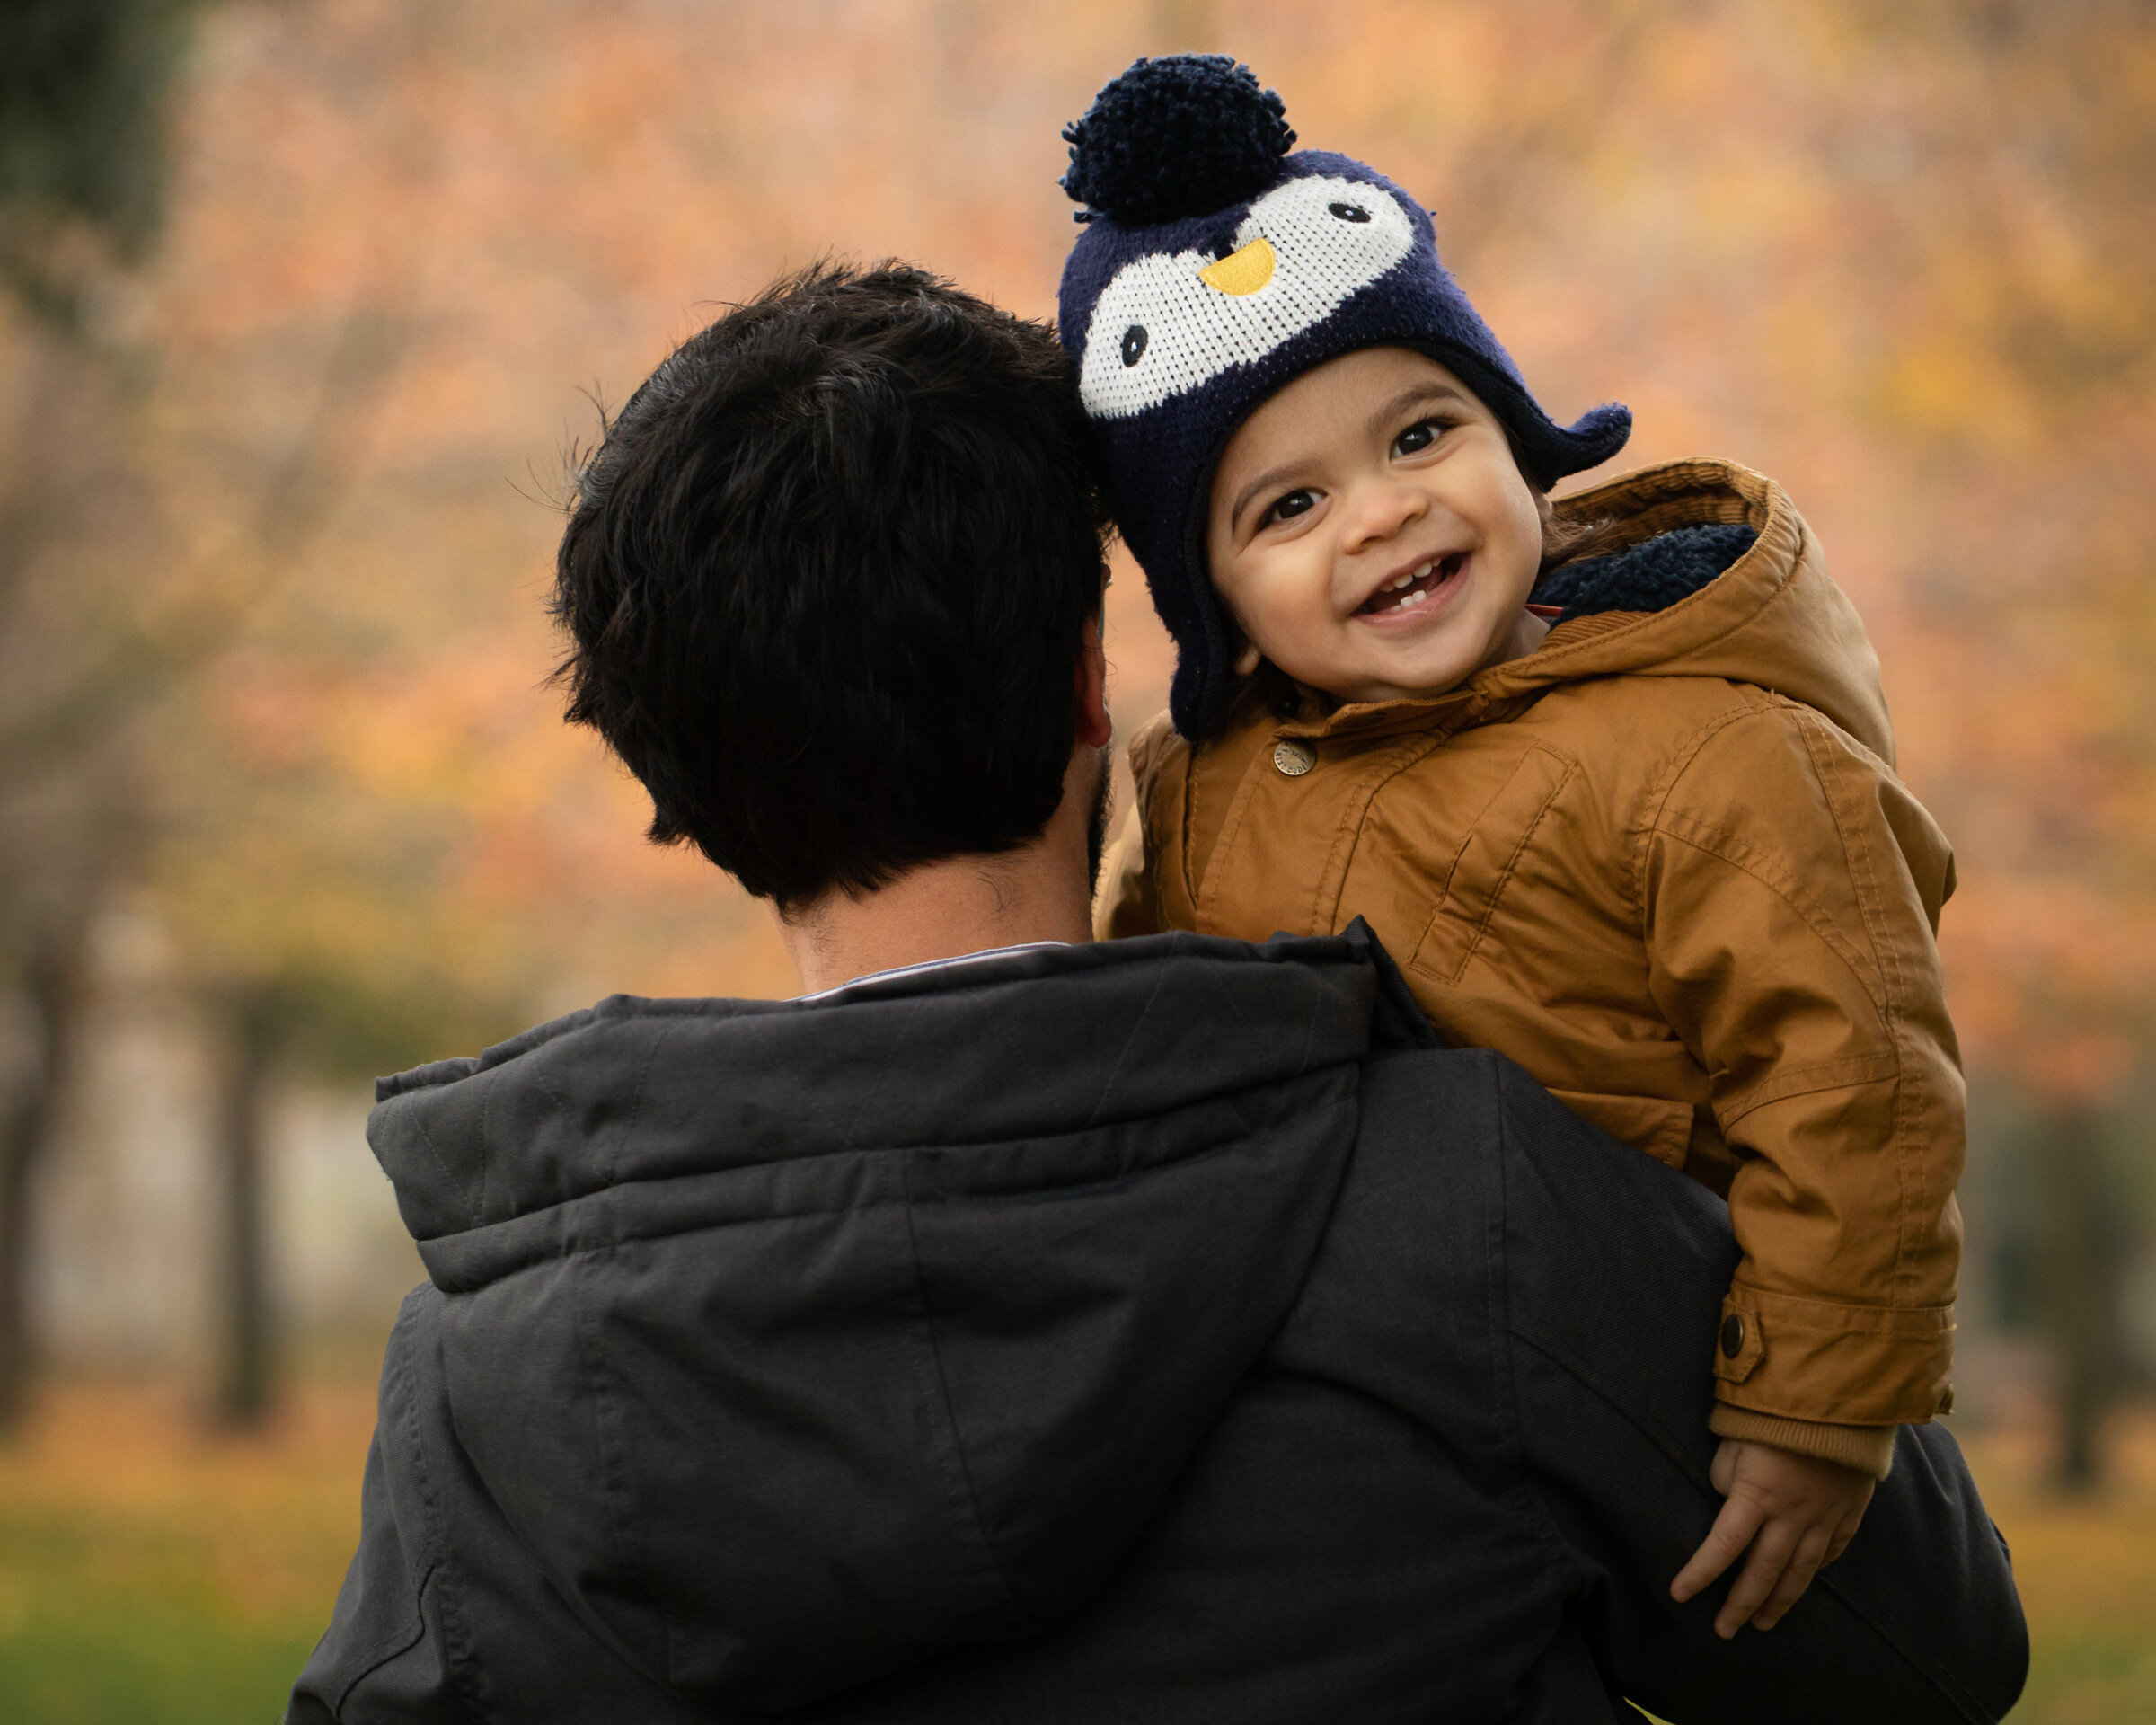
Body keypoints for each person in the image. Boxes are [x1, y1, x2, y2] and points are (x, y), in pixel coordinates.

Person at [287, 261, 2024, 1723]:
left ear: (683, 802)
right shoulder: (1477, 1197)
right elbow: (1931, 1651)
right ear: (1089, 688)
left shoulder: (478, 1389)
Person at [1070, 57, 1963, 1637]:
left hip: (1657, 1375)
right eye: (1285, 508)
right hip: (1371, 1425)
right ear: (1209, 601)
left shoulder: (1708, 746)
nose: (1380, 514)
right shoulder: (1202, 787)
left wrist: (1819, 1402)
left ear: (1519, 435)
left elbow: (1858, 1081)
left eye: (1423, 433)